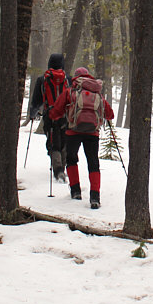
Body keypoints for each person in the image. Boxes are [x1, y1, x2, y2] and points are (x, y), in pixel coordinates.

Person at [48, 66, 114, 208]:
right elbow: (110, 114)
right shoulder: (97, 92)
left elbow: (56, 111)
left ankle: (75, 191)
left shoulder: (70, 91)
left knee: (71, 159)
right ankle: (95, 197)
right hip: (92, 133)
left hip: (73, 131)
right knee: (93, 163)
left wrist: (52, 115)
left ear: (75, 77)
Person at [29, 53, 70, 181]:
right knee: (64, 141)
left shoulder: (43, 79)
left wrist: (32, 113)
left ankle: (58, 170)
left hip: (50, 115)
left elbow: (37, 100)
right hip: (65, 115)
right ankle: (63, 168)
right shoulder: (68, 79)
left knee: (53, 142)